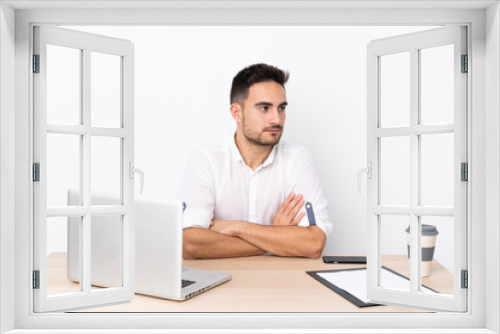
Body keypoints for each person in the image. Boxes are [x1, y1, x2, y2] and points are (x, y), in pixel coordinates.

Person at [179, 63, 332, 259]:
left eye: (281, 108)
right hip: (220, 284)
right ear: (236, 112)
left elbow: (313, 244)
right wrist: (274, 235)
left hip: (282, 283)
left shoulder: (297, 158)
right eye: (264, 108)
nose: (277, 119)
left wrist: (236, 228)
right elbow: (190, 245)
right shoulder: (205, 160)